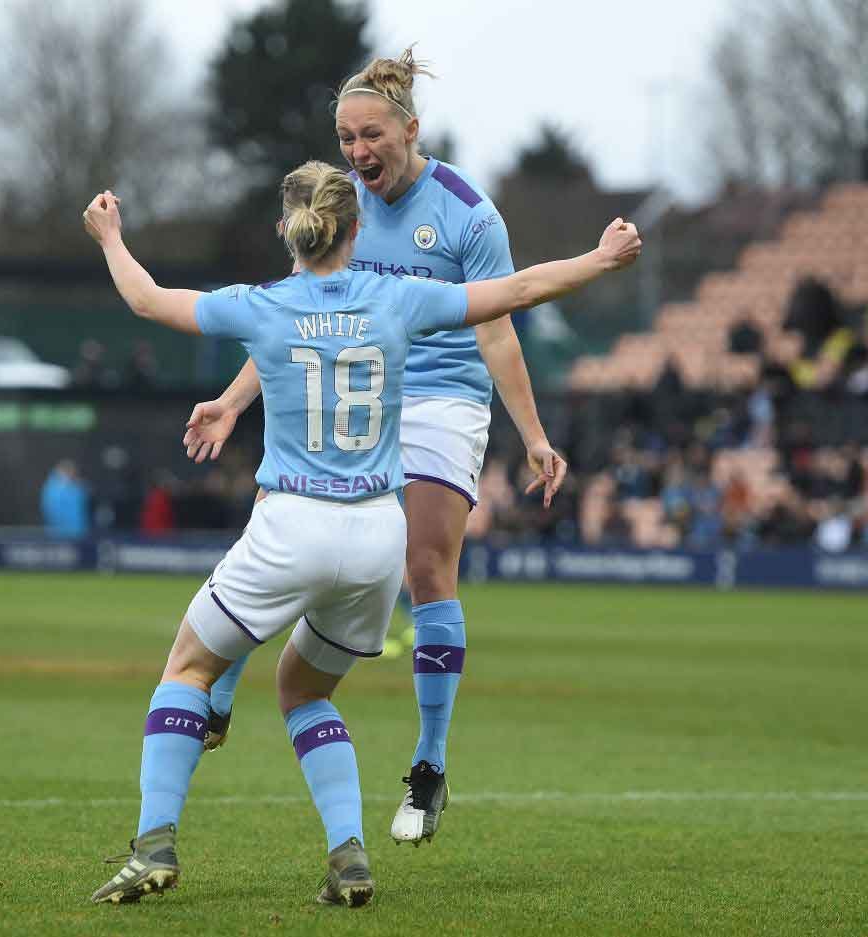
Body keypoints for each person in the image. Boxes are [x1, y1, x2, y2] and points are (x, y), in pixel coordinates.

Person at [80, 162, 640, 906]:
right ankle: (348, 855)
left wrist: (111, 236)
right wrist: (601, 259)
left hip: (292, 523)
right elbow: (520, 291)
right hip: (378, 538)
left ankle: (154, 844)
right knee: (306, 691)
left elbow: (148, 299)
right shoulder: (400, 300)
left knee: (186, 669)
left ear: (289, 229)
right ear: (355, 231)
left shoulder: (261, 305)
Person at [182, 49, 571, 846]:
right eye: (345, 137)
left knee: (425, 564)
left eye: (370, 136)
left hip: (441, 394)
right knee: (280, 515)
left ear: (409, 129)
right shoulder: (339, 207)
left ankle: (428, 768)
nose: (358, 153)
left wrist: (532, 436)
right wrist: (228, 400)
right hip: (360, 382)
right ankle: (223, 674)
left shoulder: (467, 213)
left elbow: (496, 327)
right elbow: (296, 316)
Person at [40, 459, 91, 539]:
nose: (73, 474)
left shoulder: (77, 487)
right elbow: (52, 511)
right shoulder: (54, 489)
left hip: (79, 533)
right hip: (61, 534)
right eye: (71, 471)